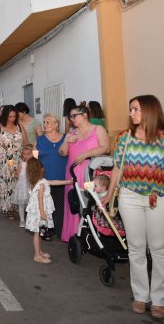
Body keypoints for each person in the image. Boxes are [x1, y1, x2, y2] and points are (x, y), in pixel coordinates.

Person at [101, 95, 164, 318]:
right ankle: (140, 296)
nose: (131, 113)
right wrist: (109, 196)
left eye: (136, 109)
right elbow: (117, 168)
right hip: (129, 197)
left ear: (149, 110)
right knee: (136, 248)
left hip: (157, 199)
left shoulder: (162, 139)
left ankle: (159, 298)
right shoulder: (124, 138)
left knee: (158, 249)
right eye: (130, 109)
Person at [59, 104, 109, 242]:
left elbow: (106, 147)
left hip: (90, 173)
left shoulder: (97, 129)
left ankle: (93, 235)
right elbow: (62, 153)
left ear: (84, 115)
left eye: (74, 116)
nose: (71, 119)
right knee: (74, 202)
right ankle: (74, 235)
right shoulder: (71, 133)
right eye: (70, 116)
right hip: (72, 173)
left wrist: (87, 153)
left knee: (89, 203)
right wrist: (65, 141)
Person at [0, 105, 29, 218]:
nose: (12, 118)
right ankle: (9, 208)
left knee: (17, 183)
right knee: (6, 184)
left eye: (14, 116)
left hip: (18, 160)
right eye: (10, 116)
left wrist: (27, 156)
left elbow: (26, 143)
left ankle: (16, 205)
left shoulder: (20, 126)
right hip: (3, 162)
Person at [25, 157, 55, 264]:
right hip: (39, 213)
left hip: (37, 212)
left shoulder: (38, 181)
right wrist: (42, 213)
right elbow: (40, 200)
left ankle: (39, 250)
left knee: (41, 232)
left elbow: (53, 182)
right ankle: (37, 255)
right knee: (37, 233)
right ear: (40, 169)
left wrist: (68, 181)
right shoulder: (41, 184)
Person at [36, 113, 68, 182]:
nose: (44, 125)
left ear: (56, 124)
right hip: (45, 180)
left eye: (48, 122)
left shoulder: (66, 139)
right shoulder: (38, 140)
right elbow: (34, 161)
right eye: (44, 122)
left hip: (63, 180)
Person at [13, 144, 33, 228]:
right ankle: (22, 220)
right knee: (21, 204)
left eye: (28, 154)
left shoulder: (33, 164)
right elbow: (17, 175)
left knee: (30, 204)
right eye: (24, 154)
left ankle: (30, 220)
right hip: (22, 186)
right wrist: (13, 173)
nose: (25, 156)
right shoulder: (21, 164)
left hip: (30, 186)